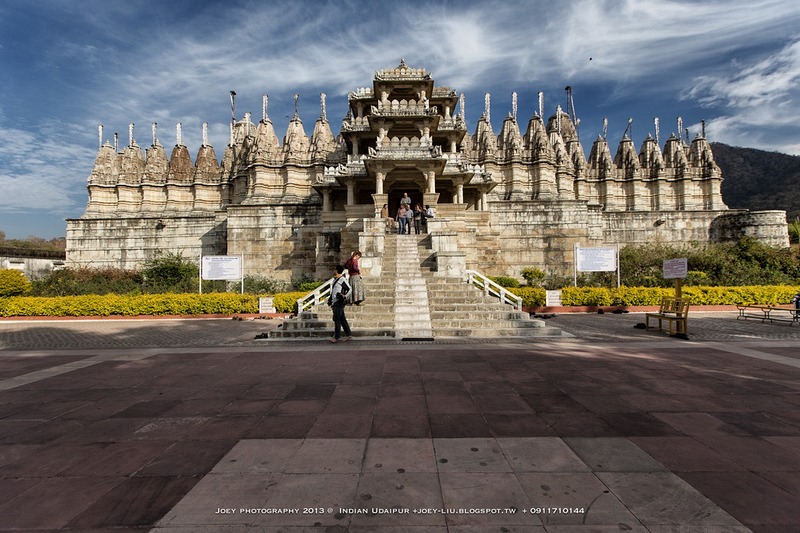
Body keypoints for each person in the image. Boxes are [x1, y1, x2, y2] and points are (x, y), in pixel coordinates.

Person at [327, 265, 352, 343]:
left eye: (334, 269)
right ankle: (348, 334)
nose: (333, 271)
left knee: (336, 318)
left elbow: (349, 289)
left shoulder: (342, 280)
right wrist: (330, 299)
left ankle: (336, 337)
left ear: (337, 270)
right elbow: (333, 291)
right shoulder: (335, 280)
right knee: (342, 319)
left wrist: (344, 296)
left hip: (339, 302)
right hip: (335, 301)